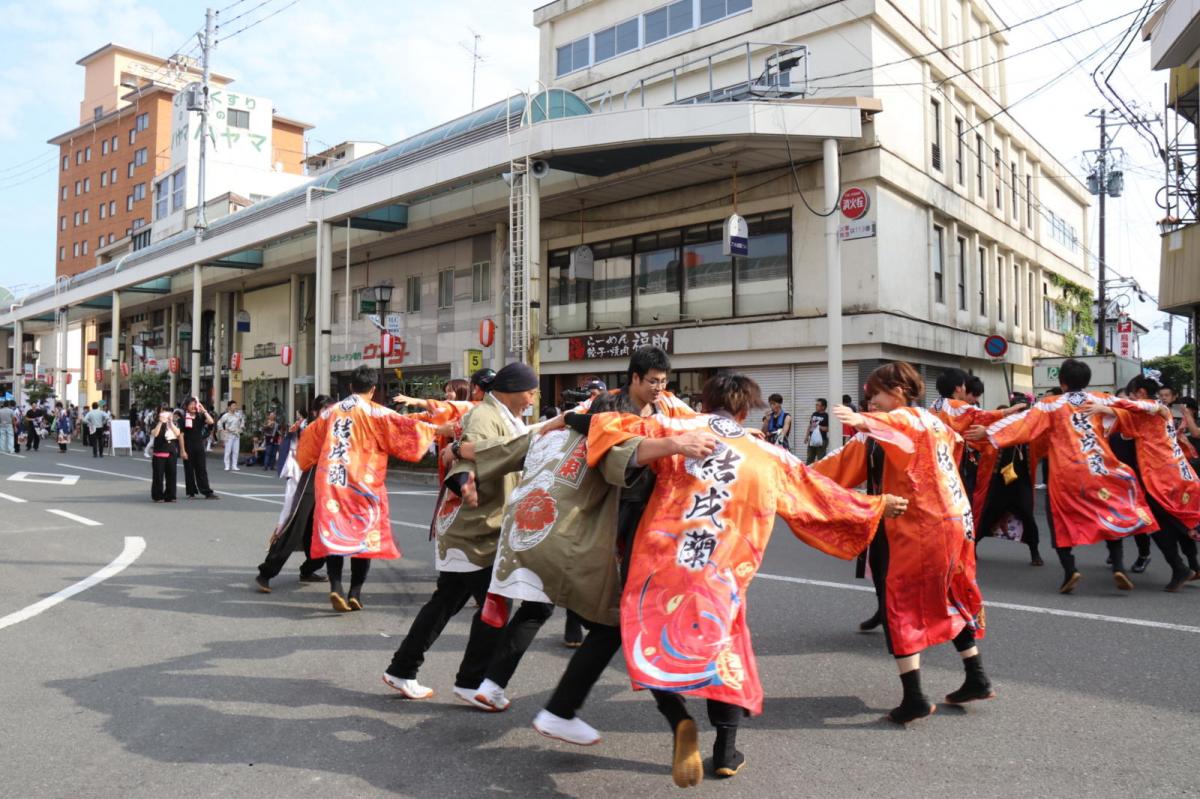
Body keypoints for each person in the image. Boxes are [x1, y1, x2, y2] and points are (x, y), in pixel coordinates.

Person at [586, 374, 901, 785]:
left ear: (705, 403)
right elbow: (820, 495)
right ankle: (725, 752)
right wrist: (876, 505)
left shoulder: (677, 430)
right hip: (722, 572)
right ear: (744, 409)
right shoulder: (767, 455)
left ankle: (679, 717)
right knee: (723, 650)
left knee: (649, 643)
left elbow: (608, 430)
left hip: (662, 562)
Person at [450, 391, 719, 745]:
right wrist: (678, 445)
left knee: (536, 607)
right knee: (611, 626)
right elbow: (631, 453)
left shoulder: (549, 433)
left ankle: (491, 683)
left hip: (521, 537)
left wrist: (456, 451)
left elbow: (500, 449)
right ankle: (560, 712)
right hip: (564, 540)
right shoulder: (604, 438)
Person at [823, 362, 991, 726]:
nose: (872, 404)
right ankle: (976, 674)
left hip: (916, 527)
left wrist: (859, 420)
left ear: (898, 391)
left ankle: (914, 696)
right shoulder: (936, 423)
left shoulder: (901, 423)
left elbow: (838, 466)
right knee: (949, 596)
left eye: (876, 396)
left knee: (898, 605)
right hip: (955, 521)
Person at [383, 362, 539, 703]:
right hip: (474, 530)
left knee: (445, 603)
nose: (532, 398)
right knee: (494, 607)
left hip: (475, 527)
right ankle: (471, 681)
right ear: (513, 389)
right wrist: (465, 481)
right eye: (530, 391)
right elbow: (467, 458)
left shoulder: (501, 415)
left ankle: (402, 668)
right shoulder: (485, 417)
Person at [986, 358, 1157, 594]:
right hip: (1100, 468)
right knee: (1108, 512)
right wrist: (1158, 408)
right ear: (1086, 380)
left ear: (1062, 382)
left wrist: (989, 432)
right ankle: (1118, 566)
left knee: (1060, 518)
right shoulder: (1100, 399)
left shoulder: (1050, 404)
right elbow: (1132, 409)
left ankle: (1070, 569)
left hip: (1067, 473)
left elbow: (1023, 424)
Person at [296, 365, 437, 612]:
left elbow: (309, 438)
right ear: (372, 389)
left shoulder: (331, 412)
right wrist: (437, 430)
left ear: (351, 387)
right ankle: (355, 593)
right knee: (364, 535)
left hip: (333, 482)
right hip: (364, 484)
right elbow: (406, 430)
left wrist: (307, 461)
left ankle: (336, 587)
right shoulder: (377, 412)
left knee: (335, 532)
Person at [1089, 375, 1200, 591]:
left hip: (1164, 479)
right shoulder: (1151, 413)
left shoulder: (1155, 407)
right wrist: (1106, 408)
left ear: (1140, 392)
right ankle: (1184, 567)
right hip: (1166, 476)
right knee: (1165, 524)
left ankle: (1182, 567)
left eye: (1130, 394)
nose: (1128, 398)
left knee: (1170, 524)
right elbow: (1125, 415)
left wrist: (1105, 402)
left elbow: (1130, 408)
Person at [255, 396, 334, 592]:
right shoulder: (309, 428)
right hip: (307, 480)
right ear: (315, 411)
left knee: (323, 530)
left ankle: (309, 569)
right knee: (296, 526)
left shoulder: (333, 428)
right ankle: (266, 572)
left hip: (328, 483)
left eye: (331, 409)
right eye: (325, 409)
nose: (329, 412)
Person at [180, 397, 217, 499]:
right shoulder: (183, 419)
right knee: (189, 470)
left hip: (199, 446)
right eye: (190, 404)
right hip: (188, 447)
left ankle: (207, 492)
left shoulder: (200, 417)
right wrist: (182, 450)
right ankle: (191, 492)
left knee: (202, 469)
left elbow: (211, 422)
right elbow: (181, 435)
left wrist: (203, 410)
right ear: (186, 406)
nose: (193, 406)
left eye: (194, 404)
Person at [149, 405, 182, 503]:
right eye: (163, 411)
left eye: (168, 412)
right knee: (158, 475)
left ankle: (170, 495)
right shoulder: (155, 422)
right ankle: (158, 495)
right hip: (159, 452)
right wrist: (160, 422)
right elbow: (155, 433)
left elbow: (178, 433)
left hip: (171, 451)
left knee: (172, 475)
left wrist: (171, 423)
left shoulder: (174, 423)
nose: (166, 414)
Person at [217, 401, 245, 471]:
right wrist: (222, 430)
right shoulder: (226, 415)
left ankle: (234, 465)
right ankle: (227, 465)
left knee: (236, 451)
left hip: (236, 434)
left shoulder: (238, 415)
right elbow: (219, 422)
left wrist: (241, 427)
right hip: (229, 434)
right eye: (233, 405)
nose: (234, 407)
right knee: (228, 451)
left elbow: (242, 421)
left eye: (235, 405)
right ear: (229, 407)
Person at [804, 398, 829, 464]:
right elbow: (810, 425)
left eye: (818, 405)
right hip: (812, 440)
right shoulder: (814, 414)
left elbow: (828, 429)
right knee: (809, 458)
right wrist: (806, 436)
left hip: (822, 440)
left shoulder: (826, 416)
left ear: (823, 407)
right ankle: (808, 473)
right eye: (816, 405)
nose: (816, 406)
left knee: (821, 460)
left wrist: (819, 427)